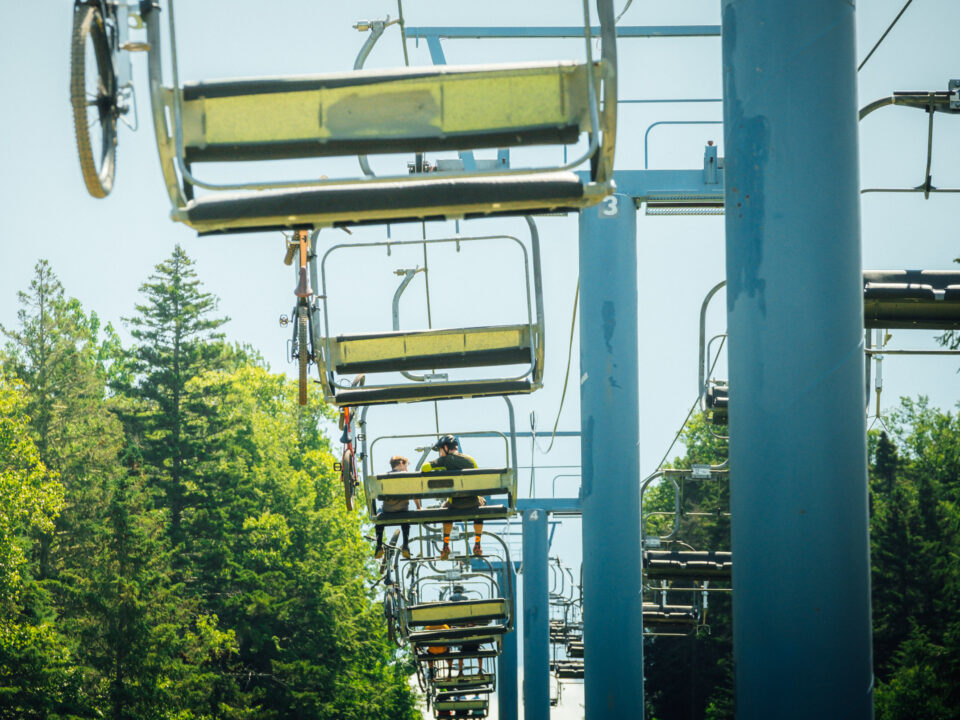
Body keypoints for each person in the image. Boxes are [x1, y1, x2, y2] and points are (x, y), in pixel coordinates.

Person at [422, 435, 485, 559]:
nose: (440, 453)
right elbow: (478, 480)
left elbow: (425, 468)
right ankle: (478, 543)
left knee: (446, 508)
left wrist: (439, 465)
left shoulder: (444, 461)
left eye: (440, 450)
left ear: (445, 447)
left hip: (455, 504)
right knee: (481, 503)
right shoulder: (470, 460)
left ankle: (446, 545)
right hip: (473, 503)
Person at [374, 455, 421, 559]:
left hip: (387, 511)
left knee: (379, 512)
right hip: (402, 511)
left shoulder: (384, 477)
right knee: (405, 518)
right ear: (401, 463)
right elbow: (415, 495)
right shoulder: (407, 476)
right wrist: (418, 507)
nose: (407, 468)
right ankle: (405, 545)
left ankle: (378, 546)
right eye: (406, 465)